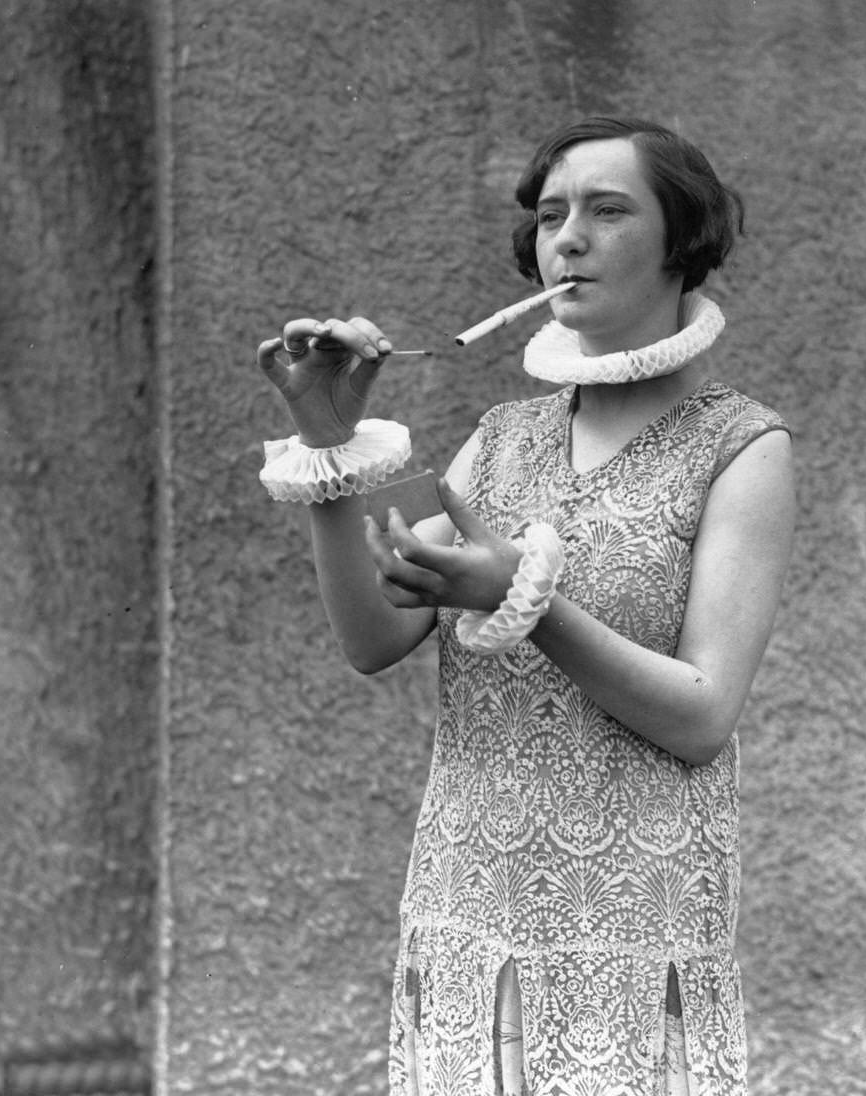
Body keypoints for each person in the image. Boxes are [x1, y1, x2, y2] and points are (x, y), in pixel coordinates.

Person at [255, 115, 794, 1096]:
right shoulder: (496, 443)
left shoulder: (742, 449)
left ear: (681, 240)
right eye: (550, 216)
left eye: (606, 209)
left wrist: (525, 598)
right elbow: (374, 637)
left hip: (633, 928)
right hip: (470, 913)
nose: (568, 237)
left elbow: (703, 713)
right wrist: (329, 441)